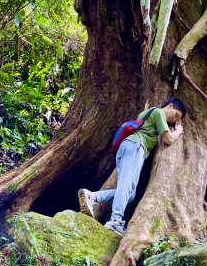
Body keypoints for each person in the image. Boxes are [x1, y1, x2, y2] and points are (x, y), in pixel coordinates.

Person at [78, 97, 186, 236]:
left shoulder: (146, 114)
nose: (174, 120)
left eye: (177, 120)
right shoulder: (159, 113)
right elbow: (168, 140)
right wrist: (178, 130)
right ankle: (115, 221)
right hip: (136, 147)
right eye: (176, 115)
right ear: (170, 106)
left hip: (125, 148)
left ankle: (92, 197)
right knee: (127, 185)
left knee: (130, 194)